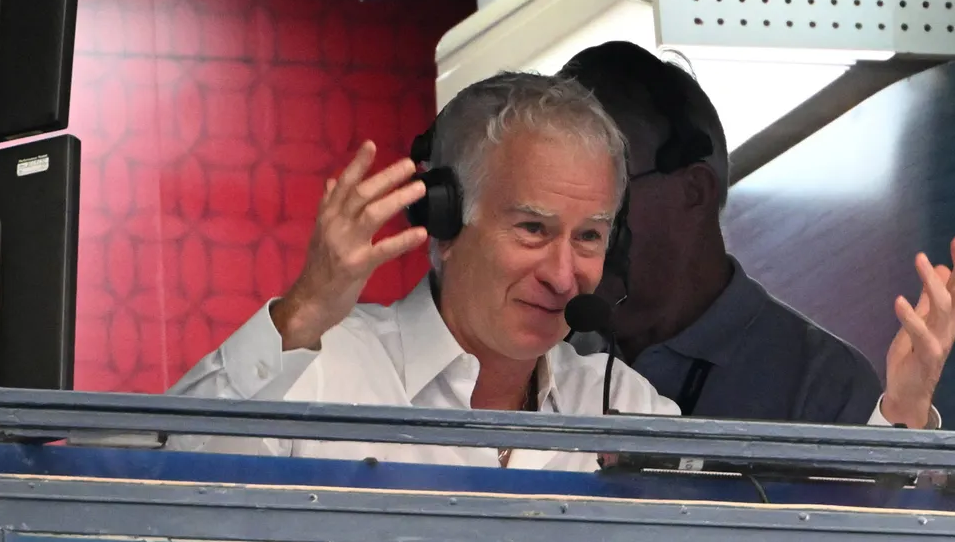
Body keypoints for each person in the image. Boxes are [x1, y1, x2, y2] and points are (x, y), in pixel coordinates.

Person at [164, 71, 679, 471]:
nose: (563, 278)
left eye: (588, 236)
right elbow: (158, 485)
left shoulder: (623, 405)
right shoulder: (318, 372)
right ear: (444, 222)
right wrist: (302, 314)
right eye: (532, 228)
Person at [562, 42, 955, 429]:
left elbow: (871, 488)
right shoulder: (545, 350)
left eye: (610, 190)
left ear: (694, 192)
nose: (582, 228)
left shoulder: (822, 384)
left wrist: (905, 414)